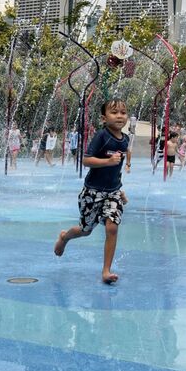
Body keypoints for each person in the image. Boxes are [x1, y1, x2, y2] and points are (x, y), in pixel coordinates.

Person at [54, 99, 132, 284]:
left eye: (123, 112)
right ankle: (65, 237)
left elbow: (117, 168)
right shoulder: (101, 136)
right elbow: (86, 160)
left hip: (113, 192)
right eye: (114, 112)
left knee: (112, 227)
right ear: (104, 118)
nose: (120, 116)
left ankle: (106, 271)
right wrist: (107, 162)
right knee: (85, 230)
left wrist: (120, 190)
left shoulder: (125, 139)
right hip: (92, 192)